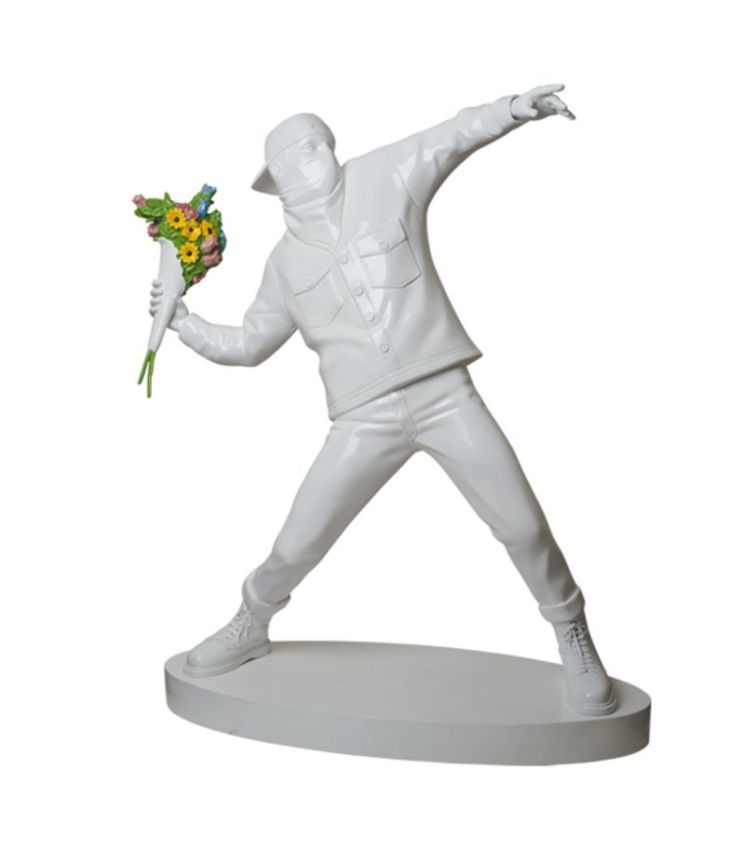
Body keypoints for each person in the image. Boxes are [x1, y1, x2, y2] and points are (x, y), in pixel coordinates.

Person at [150, 84, 617, 716]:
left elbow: (452, 136)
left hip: (444, 393)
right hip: (362, 419)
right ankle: (250, 621)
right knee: (298, 541)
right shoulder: (283, 265)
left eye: (319, 145)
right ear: (277, 178)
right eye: (298, 154)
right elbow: (251, 343)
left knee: (523, 524)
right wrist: (184, 323)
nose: (314, 158)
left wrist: (512, 110)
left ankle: (572, 631)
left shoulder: (384, 176)